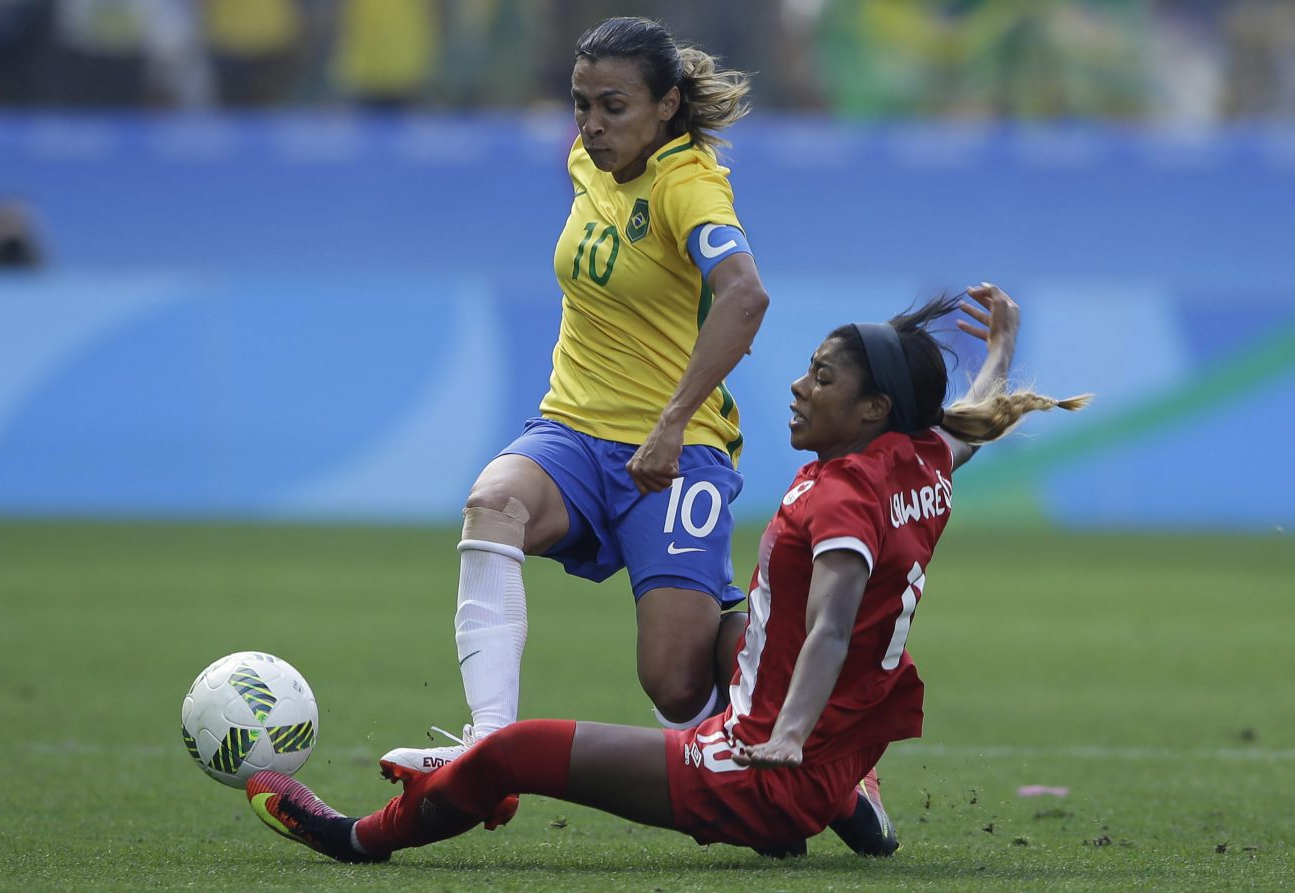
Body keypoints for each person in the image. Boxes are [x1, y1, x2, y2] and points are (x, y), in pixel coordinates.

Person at [244, 285, 1090, 862]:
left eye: (823, 377)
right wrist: (1000, 353)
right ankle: (850, 799)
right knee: (736, 629)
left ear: (873, 410)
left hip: (759, 770)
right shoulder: (919, 459)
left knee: (511, 750)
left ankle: (356, 837)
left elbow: (831, 624)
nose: (798, 386)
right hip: (842, 745)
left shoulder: (841, 498)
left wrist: (786, 737)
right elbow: (964, 427)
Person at [379, 15, 771, 777]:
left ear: (666, 105)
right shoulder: (587, 163)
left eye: (613, 107)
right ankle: (488, 748)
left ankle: (784, 733)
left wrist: (672, 421)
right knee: (493, 504)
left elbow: (745, 295)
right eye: (582, 105)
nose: (592, 125)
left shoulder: (688, 185)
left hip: (675, 449)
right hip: (572, 429)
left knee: (673, 678)